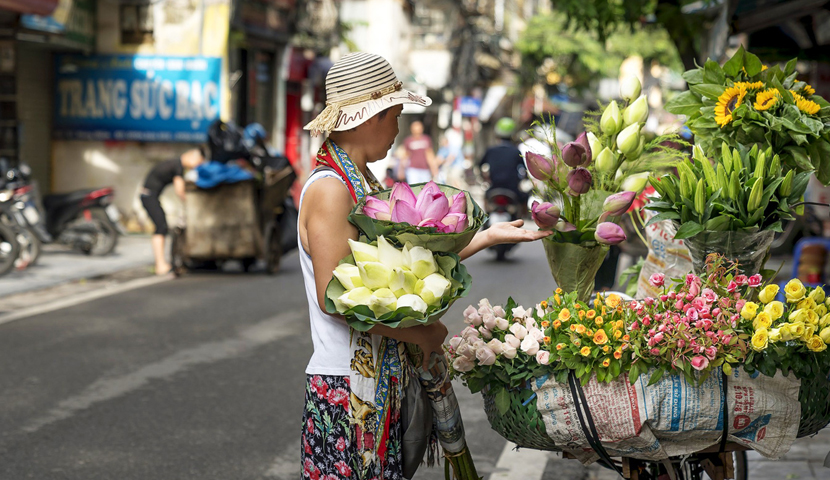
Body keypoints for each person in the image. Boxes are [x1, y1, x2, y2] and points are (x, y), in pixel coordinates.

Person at [298, 52, 551, 480]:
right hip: (348, 388)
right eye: (394, 115)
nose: (398, 129)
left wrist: (486, 236)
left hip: (378, 382)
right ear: (367, 117)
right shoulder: (331, 190)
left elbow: (410, 270)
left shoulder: (363, 183)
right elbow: (334, 299)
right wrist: (421, 332)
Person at [140, 147, 205, 275]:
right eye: (198, 163)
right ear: (192, 157)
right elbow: (180, 190)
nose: (196, 166)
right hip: (148, 196)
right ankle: (160, 265)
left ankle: (161, 263)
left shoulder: (175, 164)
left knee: (162, 227)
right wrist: (191, 205)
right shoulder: (177, 166)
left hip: (151, 196)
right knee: (161, 227)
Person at [480, 117, 528, 211]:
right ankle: (523, 216)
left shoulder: (491, 150)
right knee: (525, 198)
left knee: (486, 199)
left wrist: (485, 178)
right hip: (513, 189)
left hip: (494, 187)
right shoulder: (516, 151)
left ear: (497, 133)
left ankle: (486, 217)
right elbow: (523, 170)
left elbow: (480, 166)